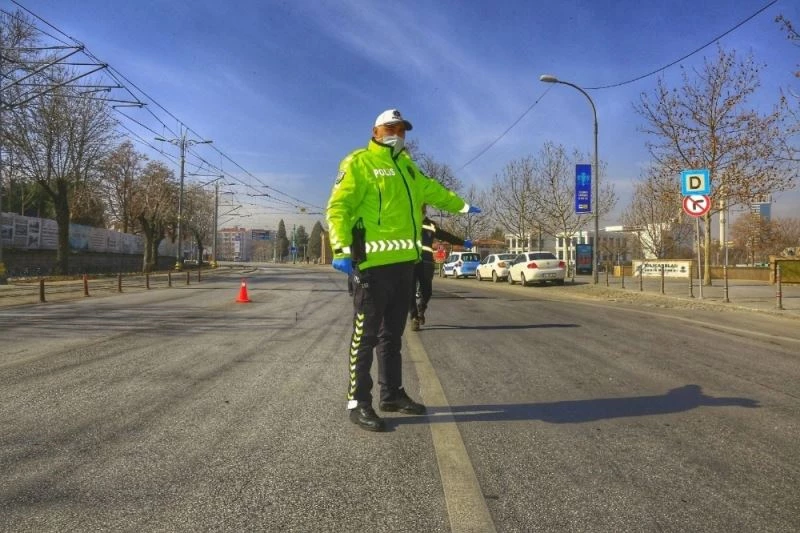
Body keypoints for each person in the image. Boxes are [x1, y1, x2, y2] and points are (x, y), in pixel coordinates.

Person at [326, 108, 480, 432]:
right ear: (376, 131)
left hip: (403, 266)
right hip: (371, 266)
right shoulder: (358, 162)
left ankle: (392, 394)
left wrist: (462, 205)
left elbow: (434, 190)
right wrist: (340, 249)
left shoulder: (409, 167)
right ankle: (358, 402)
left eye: (402, 129)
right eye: (391, 127)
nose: (398, 133)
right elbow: (339, 207)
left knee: (392, 336)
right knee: (364, 337)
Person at [409, 207, 472, 331]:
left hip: (426, 262)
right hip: (409, 262)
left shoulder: (431, 225)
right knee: (409, 292)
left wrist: (462, 242)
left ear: (423, 211)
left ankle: (421, 309)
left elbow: (446, 235)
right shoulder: (407, 222)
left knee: (427, 291)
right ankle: (414, 317)